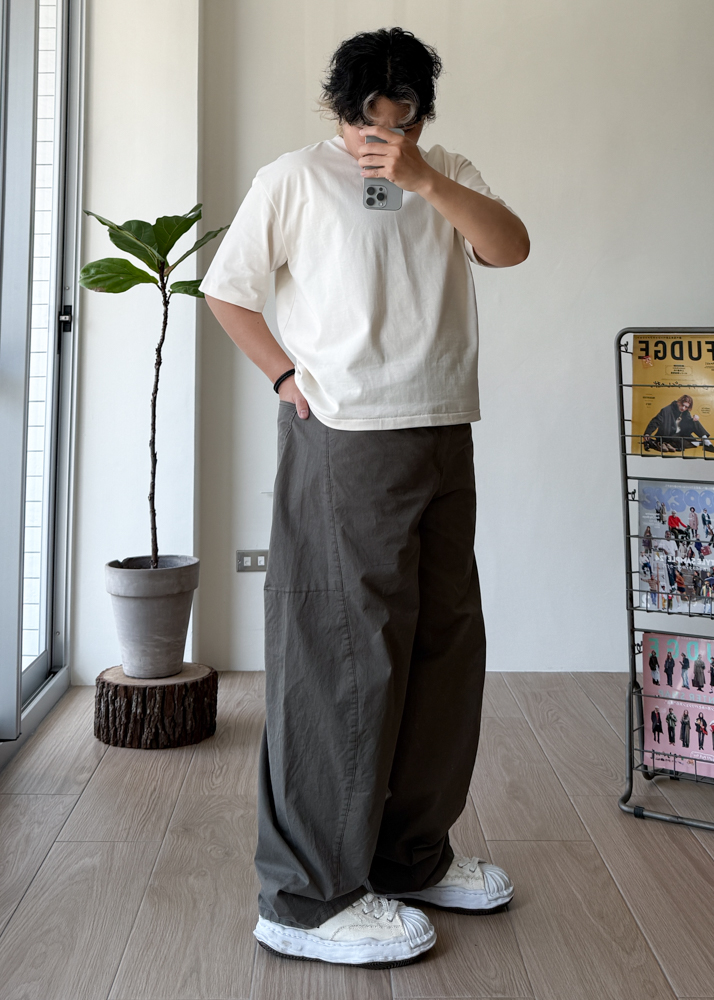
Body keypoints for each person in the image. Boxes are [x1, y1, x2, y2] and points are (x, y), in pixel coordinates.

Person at [201, 27, 529, 968]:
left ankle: (410, 856)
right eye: (363, 120)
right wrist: (283, 378)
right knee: (342, 658)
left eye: (401, 119)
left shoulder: (446, 172)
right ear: (336, 109)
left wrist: (423, 178)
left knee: (443, 647)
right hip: (344, 436)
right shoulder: (292, 179)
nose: (379, 136)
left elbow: (510, 247)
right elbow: (229, 292)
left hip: (442, 427)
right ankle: (306, 897)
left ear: (422, 115)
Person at [642, 395, 714, 453]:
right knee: (685, 443)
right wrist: (648, 433)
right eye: (682, 405)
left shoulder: (685, 412)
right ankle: (658, 443)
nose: (683, 408)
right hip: (669, 435)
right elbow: (655, 421)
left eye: (686, 407)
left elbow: (688, 424)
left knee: (694, 422)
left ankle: (707, 442)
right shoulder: (666, 410)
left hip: (680, 434)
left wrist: (694, 418)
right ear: (679, 402)